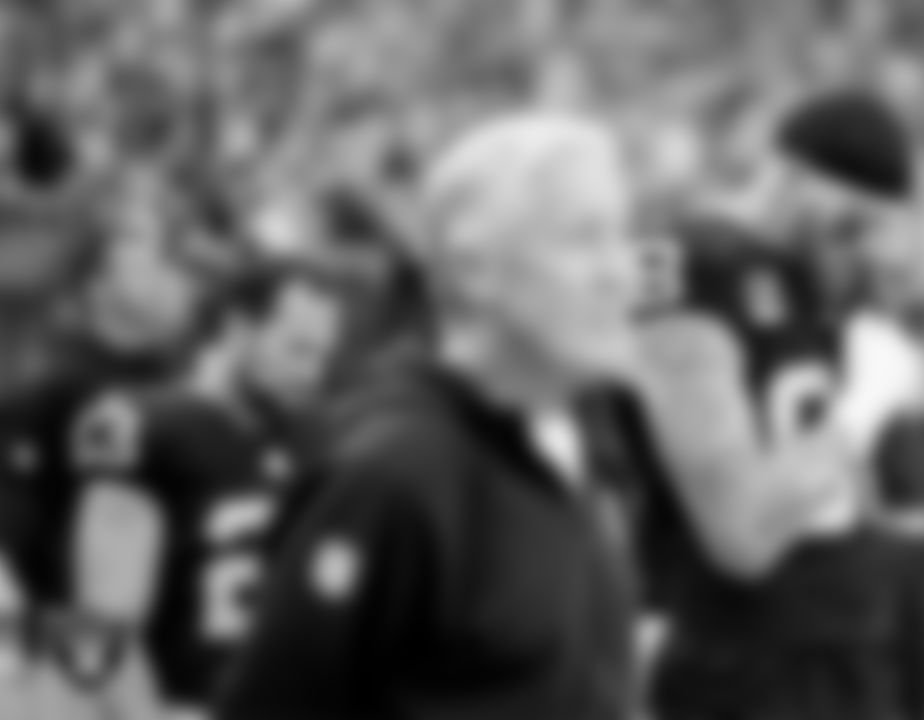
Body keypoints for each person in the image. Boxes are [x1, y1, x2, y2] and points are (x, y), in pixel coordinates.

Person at [213, 111, 651, 720]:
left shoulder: (579, 437)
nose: (623, 274)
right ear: (475, 271)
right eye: (583, 240)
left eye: (624, 236)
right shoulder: (398, 472)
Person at [621, 89, 924, 720]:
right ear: (794, 175)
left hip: (851, 642)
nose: (862, 243)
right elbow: (740, 536)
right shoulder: (691, 264)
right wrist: (862, 407)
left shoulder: (818, 271)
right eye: (853, 220)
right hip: (745, 662)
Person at [60, 259, 352, 720]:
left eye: (322, 356)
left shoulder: (319, 443)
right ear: (237, 329)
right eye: (297, 350)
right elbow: (103, 628)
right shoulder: (144, 425)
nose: (312, 374)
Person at [0, 231, 209, 660]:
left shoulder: (182, 388)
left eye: (168, 268)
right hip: (68, 641)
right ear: (100, 288)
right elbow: (16, 527)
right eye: (149, 267)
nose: (168, 281)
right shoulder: (51, 393)